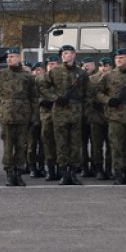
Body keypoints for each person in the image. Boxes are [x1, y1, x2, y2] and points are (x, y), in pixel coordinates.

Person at [0, 48, 37, 186]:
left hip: (23, 115)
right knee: (8, 147)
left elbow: (34, 97)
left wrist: (35, 117)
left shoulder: (27, 76)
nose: (9, 59)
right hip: (7, 115)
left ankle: (19, 173)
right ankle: (10, 174)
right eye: (8, 57)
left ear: (18, 58)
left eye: (12, 56)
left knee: (21, 147)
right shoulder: (1, 74)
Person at [95, 48, 126, 185]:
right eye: (116, 58)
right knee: (116, 147)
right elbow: (97, 93)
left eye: (121, 57)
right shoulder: (108, 76)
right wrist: (108, 100)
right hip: (115, 116)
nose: (118, 60)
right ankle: (118, 174)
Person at [43, 45, 89, 185]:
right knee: (61, 143)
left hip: (75, 111)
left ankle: (73, 173)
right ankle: (64, 173)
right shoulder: (54, 71)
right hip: (60, 111)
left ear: (74, 55)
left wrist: (83, 108)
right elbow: (41, 86)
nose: (64, 55)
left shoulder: (81, 73)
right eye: (62, 53)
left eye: (67, 53)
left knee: (75, 144)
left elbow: (88, 92)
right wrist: (55, 98)